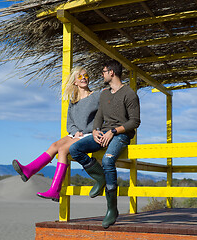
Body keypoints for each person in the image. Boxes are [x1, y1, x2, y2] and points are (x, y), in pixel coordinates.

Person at [69, 59, 140, 228]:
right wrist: (95, 130)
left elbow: (135, 122)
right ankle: (99, 177)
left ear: (111, 73)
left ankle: (111, 209)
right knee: (75, 148)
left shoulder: (130, 94)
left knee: (108, 160)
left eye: (104, 71)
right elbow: (99, 115)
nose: (102, 74)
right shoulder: (105, 94)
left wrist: (114, 131)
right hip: (102, 133)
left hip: (120, 135)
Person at [12, 66, 100, 202]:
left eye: (85, 75)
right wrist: (75, 132)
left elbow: (103, 114)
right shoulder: (74, 101)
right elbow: (69, 123)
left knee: (63, 150)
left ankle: (55, 190)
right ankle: (29, 170)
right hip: (76, 134)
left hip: (89, 135)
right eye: (80, 76)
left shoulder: (96, 96)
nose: (84, 78)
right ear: (75, 82)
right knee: (54, 145)